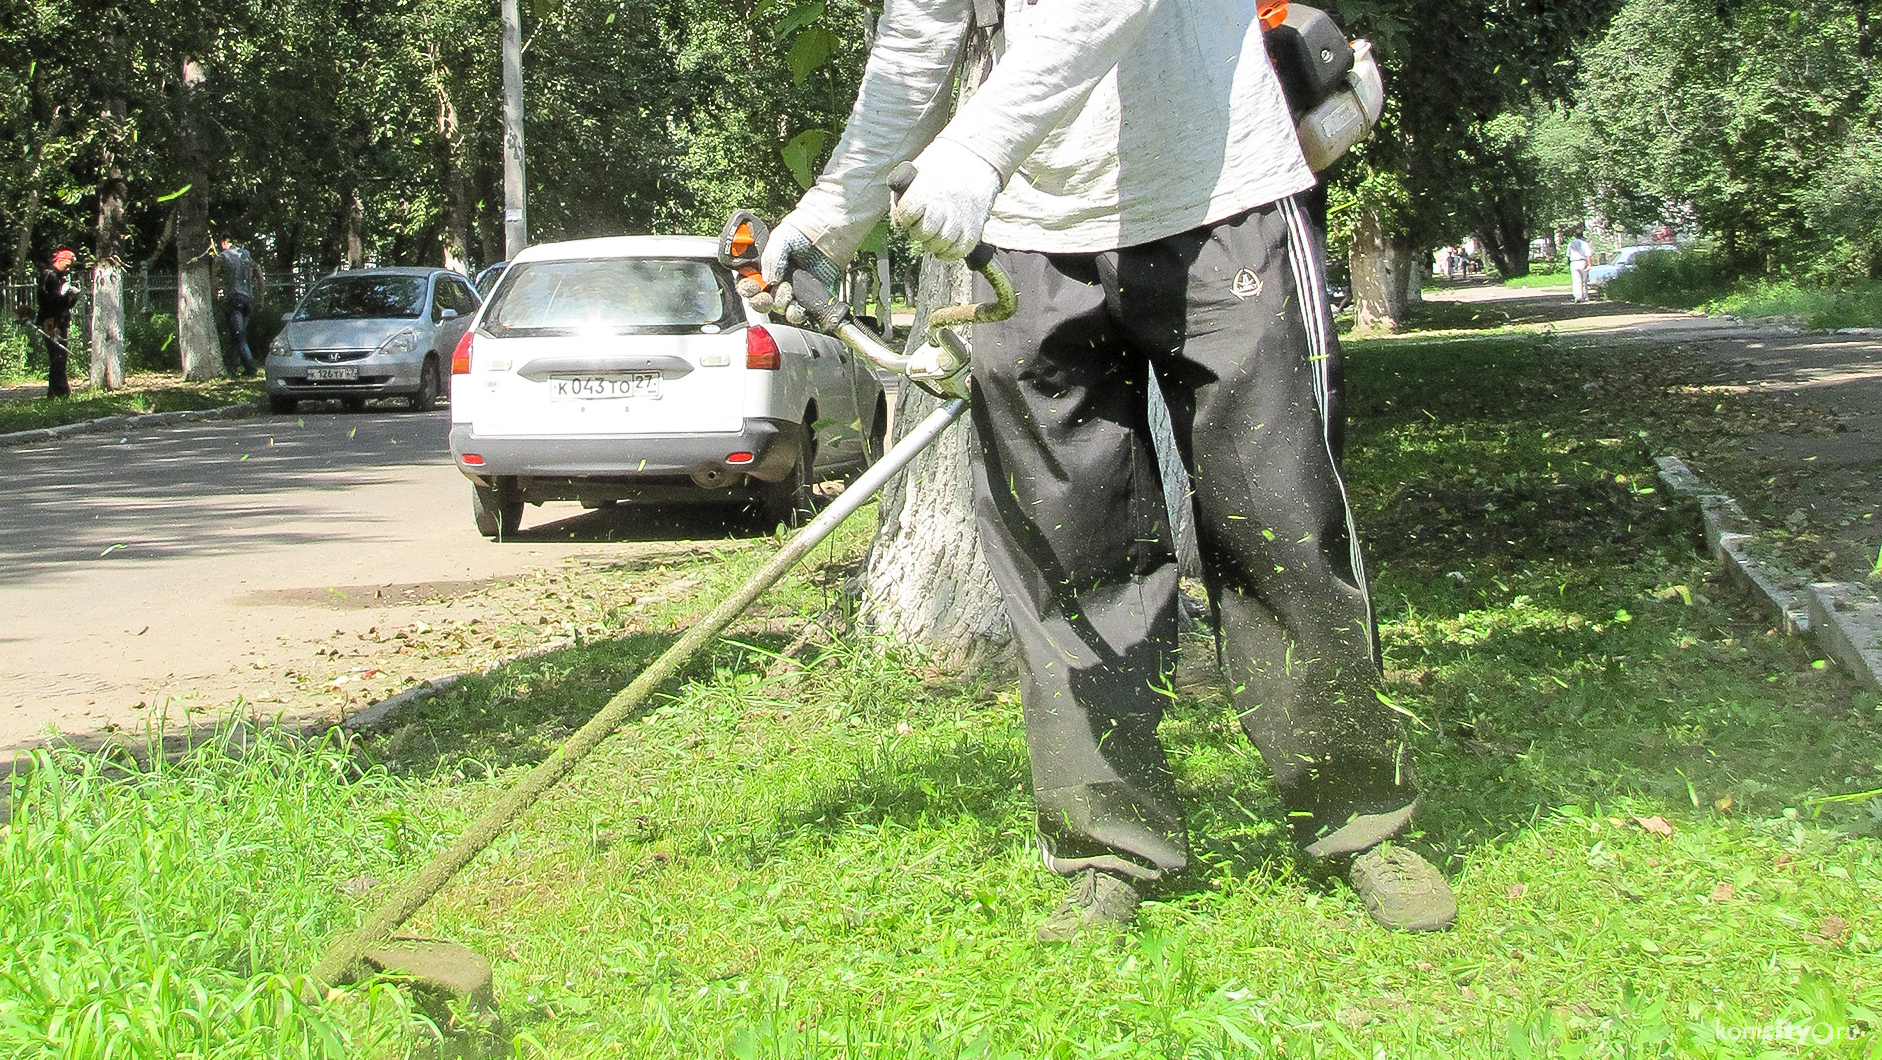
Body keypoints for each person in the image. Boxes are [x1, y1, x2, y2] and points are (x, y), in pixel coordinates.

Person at [762, 0, 1455, 940]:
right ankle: (1109, 848)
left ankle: (1357, 818)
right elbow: (919, 38)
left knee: (1280, 523)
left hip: (1224, 195)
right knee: (1067, 545)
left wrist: (973, 155)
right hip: (1034, 230)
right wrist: (831, 217)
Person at [215, 237, 264, 375]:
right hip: (248, 300)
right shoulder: (247, 256)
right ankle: (233, 367)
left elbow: (215, 279)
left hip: (233, 299)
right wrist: (260, 300)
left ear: (224, 242)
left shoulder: (223, 257)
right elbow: (260, 278)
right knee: (237, 335)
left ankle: (250, 368)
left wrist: (215, 297)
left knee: (239, 336)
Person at [36, 248, 81, 398]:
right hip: (50, 321)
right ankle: (59, 392)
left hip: (61, 321)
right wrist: (60, 294)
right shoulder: (48, 275)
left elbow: (64, 305)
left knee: (61, 356)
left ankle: (56, 392)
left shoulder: (62, 278)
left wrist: (72, 297)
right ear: (59, 261)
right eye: (66, 265)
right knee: (57, 356)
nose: (68, 269)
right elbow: (44, 299)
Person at [1566, 229, 1593, 303]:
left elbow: (1568, 255)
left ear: (1575, 235)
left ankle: (1578, 296)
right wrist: (1590, 264)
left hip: (1573, 262)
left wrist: (1569, 264)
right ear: (1582, 235)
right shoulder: (1584, 244)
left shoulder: (1571, 244)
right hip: (1582, 261)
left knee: (1576, 280)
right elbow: (1588, 254)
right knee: (1584, 280)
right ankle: (1585, 296)